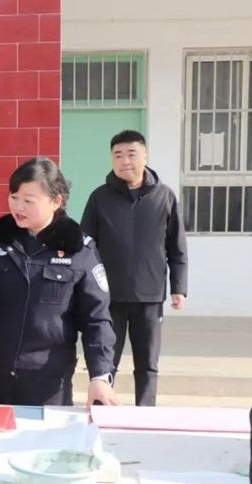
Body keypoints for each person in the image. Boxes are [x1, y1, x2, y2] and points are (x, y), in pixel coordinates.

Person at [0, 157, 118, 407]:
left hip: (47, 383)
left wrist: (100, 376)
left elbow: (97, 319)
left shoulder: (79, 249)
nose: (18, 207)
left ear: (56, 202)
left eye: (28, 201)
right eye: (14, 197)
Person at [80, 130, 188, 406]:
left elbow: (176, 247)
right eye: (118, 155)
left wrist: (179, 287)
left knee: (147, 364)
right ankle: (102, 410)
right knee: (106, 361)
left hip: (150, 296)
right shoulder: (99, 198)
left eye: (131, 154)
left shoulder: (164, 197)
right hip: (109, 297)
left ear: (145, 156)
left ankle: (145, 413)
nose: (124, 161)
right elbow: (86, 247)